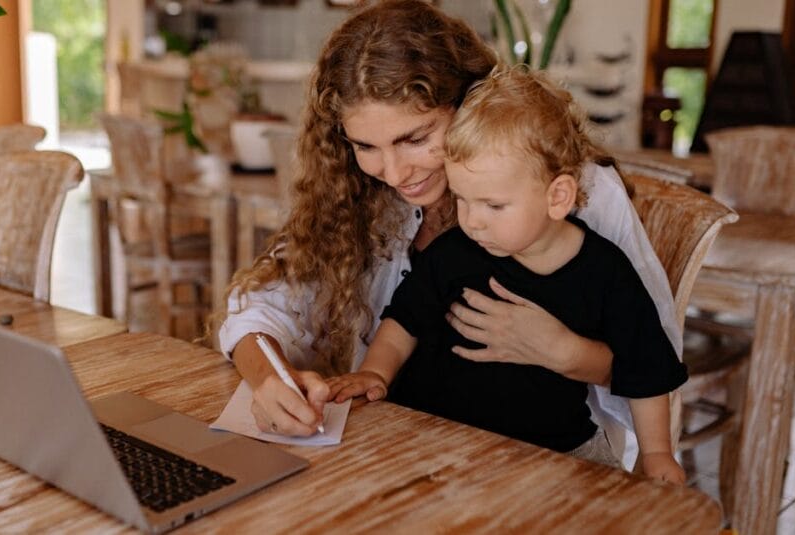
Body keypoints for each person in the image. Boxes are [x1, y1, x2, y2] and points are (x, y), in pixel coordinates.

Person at [215, 0, 682, 471]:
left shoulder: (576, 189)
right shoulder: (356, 190)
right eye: (365, 146)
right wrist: (269, 380)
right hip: (411, 448)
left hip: (547, 458)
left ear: (469, 103)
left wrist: (566, 352)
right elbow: (257, 308)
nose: (395, 173)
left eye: (415, 138)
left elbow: (653, 357)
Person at [325, 66, 687, 483]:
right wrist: (375, 373)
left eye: (493, 206)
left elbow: (647, 367)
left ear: (558, 197)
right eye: (462, 199)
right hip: (441, 438)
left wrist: (658, 451)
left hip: (554, 445)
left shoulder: (607, 273)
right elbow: (402, 321)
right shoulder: (454, 252)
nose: (473, 221)